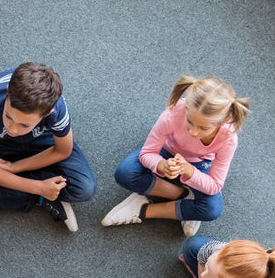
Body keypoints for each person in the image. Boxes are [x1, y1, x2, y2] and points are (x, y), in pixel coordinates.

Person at [0, 62, 96, 233]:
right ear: (7, 95)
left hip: (42, 138)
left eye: (23, 125)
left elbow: (63, 150)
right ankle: (42, 198)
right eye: (8, 117)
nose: (12, 129)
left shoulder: (57, 110)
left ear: (47, 113)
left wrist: (13, 167)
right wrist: (39, 188)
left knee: (85, 188)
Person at [101, 75, 250, 237]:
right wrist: (161, 165)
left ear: (224, 120)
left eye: (203, 128)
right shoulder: (172, 114)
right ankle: (183, 196)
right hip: (166, 151)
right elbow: (148, 153)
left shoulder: (228, 138)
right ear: (186, 108)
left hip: (200, 164)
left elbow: (215, 185)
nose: (193, 132)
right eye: (190, 122)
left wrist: (190, 172)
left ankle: (144, 210)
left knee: (212, 210)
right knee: (125, 173)